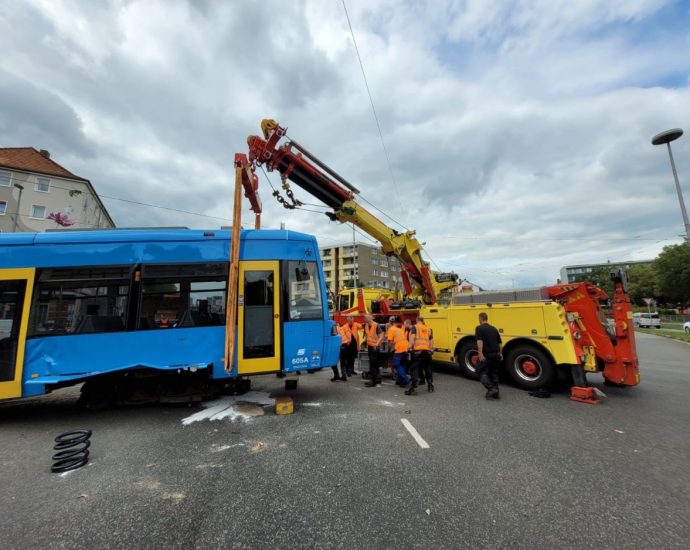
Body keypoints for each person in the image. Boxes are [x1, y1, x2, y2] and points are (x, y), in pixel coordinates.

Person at [475, 312, 502, 399]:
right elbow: (500, 343)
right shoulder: (493, 328)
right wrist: (500, 353)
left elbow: (479, 341)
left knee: (479, 370)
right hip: (496, 354)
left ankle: (491, 388)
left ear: (480, 319)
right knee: (493, 372)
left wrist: (480, 353)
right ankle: (496, 393)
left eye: (479, 319)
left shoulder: (479, 328)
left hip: (487, 355)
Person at [405, 315, 434, 395]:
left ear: (417, 320)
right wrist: (431, 349)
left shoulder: (415, 327)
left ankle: (413, 388)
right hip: (427, 352)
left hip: (418, 351)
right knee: (428, 369)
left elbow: (412, 338)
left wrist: (409, 348)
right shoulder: (428, 329)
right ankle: (430, 385)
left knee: (415, 369)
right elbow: (431, 340)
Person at [387, 317, 410, 386]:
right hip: (406, 347)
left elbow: (390, 342)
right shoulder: (399, 329)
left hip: (399, 348)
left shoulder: (391, 329)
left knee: (396, 364)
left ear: (391, 323)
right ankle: (400, 381)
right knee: (402, 364)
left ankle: (405, 379)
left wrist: (389, 349)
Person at [363, 314, 384, 387]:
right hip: (370, 346)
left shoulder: (376, 325)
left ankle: (373, 381)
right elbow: (367, 334)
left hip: (375, 347)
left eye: (365, 318)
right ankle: (377, 380)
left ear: (369, 319)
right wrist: (364, 341)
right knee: (374, 364)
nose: (364, 319)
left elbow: (381, 336)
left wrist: (376, 344)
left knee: (373, 364)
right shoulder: (366, 325)